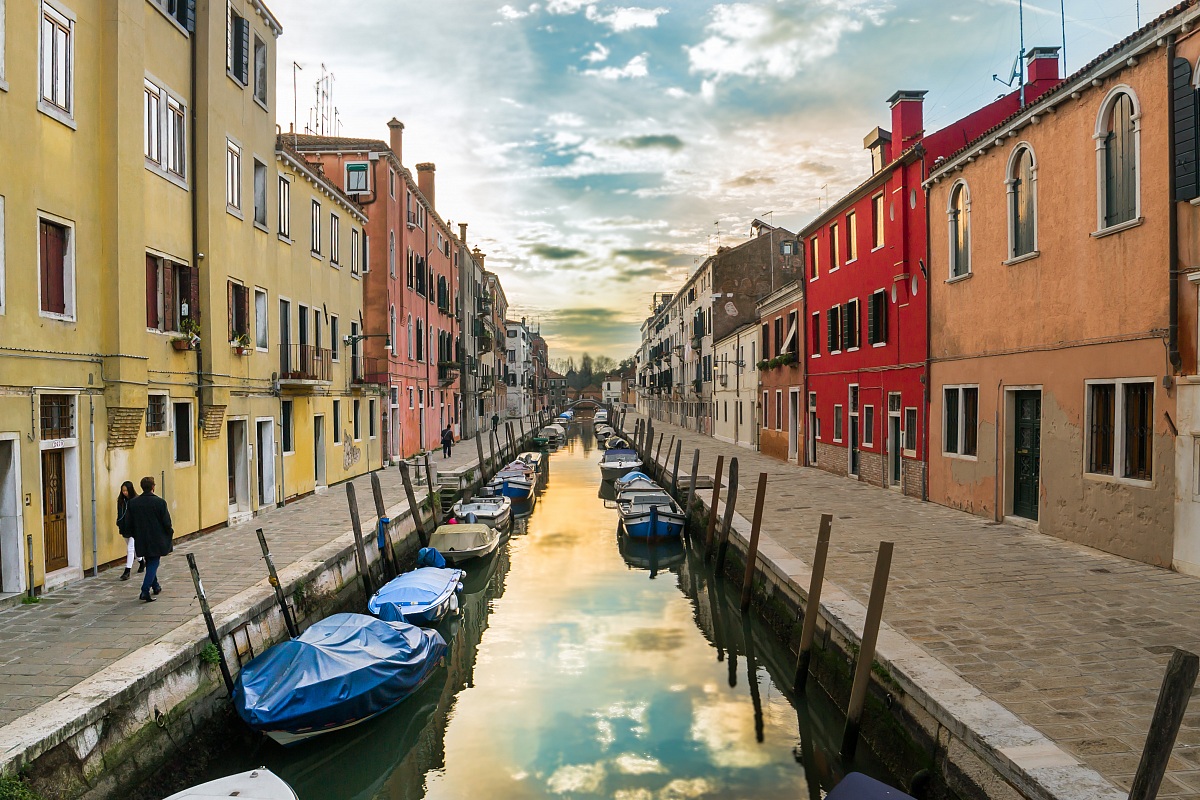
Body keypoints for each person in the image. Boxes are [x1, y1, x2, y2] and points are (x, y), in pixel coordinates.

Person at [126, 476, 173, 602]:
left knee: (150, 560)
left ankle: (155, 586)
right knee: (154, 562)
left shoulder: (133, 503)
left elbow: (129, 522)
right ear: (153, 487)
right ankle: (145, 590)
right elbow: (167, 523)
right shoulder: (160, 502)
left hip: (141, 538)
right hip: (156, 538)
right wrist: (169, 533)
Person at [116, 481, 144, 581]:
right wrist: (119, 523)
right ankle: (141, 561)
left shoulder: (136, 500)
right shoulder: (121, 501)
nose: (124, 493)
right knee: (134, 549)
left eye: (126, 491)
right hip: (125, 528)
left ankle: (127, 571)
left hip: (134, 528)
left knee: (130, 548)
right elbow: (119, 514)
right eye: (123, 491)